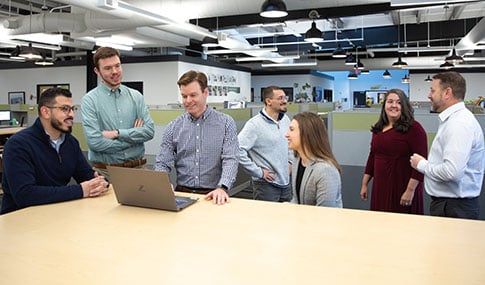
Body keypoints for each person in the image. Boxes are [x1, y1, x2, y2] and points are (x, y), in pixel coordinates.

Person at [1, 88, 109, 214]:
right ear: (45, 112)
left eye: (72, 109)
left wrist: (101, 182)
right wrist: (81, 190)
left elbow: (86, 175)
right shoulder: (18, 145)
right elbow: (25, 195)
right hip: (20, 218)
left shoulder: (70, 143)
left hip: (57, 211)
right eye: (64, 109)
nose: (72, 115)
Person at [154, 70, 239, 205]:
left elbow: (231, 159)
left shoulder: (225, 123)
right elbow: (162, 163)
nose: (188, 101)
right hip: (182, 193)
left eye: (193, 95)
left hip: (214, 195)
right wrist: (162, 184)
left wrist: (222, 187)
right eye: (184, 96)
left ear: (206, 93)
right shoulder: (173, 127)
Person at [410, 71, 485, 219]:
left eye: (432, 90)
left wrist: (421, 165)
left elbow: (452, 172)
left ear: (447, 93)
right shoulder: (454, 120)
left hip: (454, 207)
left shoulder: (459, 123)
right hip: (451, 205)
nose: (429, 95)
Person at [81, 46, 154, 179]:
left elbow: (149, 131)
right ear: (97, 71)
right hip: (106, 173)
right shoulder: (89, 100)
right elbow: (95, 142)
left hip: (138, 169)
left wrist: (117, 134)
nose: (115, 71)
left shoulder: (136, 96)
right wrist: (132, 141)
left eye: (117, 66)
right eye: (108, 68)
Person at [360, 89, 428, 214]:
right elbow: (372, 157)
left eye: (398, 102)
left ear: (404, 106)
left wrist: (410, 190)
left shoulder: (414, 129)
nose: (394, 106)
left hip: (403, 187)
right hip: (380, 187)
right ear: (384, 105)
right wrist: (364, 184)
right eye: (390, 102)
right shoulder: (378, 128)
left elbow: (421, 164)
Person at [238, 86, 293, 202]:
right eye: (280, 98)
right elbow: (237, 150)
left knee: (287, 217)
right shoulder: (254, 125)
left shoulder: (285, 120)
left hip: (286, 181)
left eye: (285, 97)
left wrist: (290, 161)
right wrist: (258, 172)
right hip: (266, 185)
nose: (285, 101)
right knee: (267, 219)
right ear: (268, 101)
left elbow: (289, 142)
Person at [285, 112, 343, 207]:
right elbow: (296, 200)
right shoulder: (297, 160)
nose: (286, 134)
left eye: (291, 130)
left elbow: (324, 213)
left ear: (306, 134)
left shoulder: (325, 170)